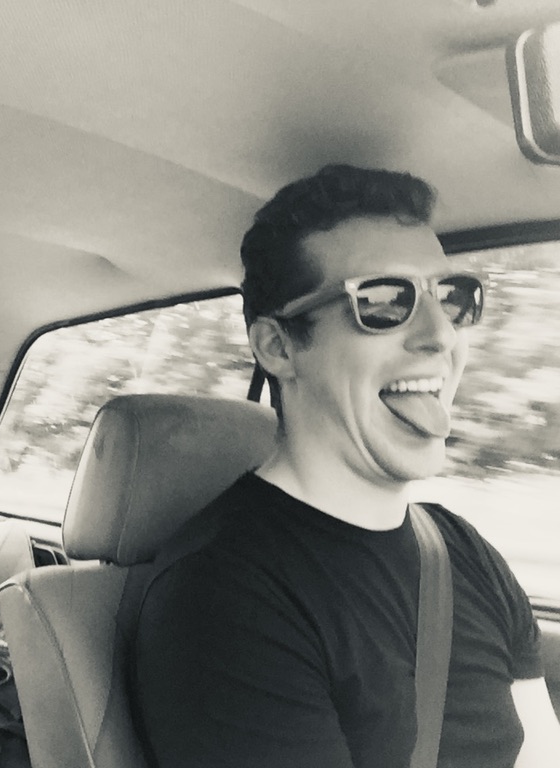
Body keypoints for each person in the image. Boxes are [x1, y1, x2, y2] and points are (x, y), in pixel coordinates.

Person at [133, 165, 560, 767]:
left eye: (452, 297)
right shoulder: (221, 598)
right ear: (279, 347)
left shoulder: (463, 549)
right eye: (384, 301)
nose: (441, 335)